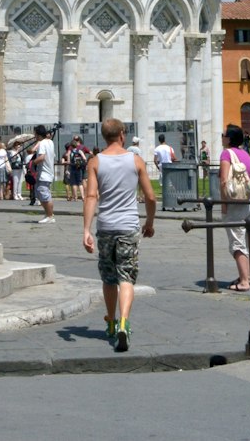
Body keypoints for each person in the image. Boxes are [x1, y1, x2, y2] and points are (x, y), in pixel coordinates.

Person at [82, 117, 156, 351]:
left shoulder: (95, 161)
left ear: (104, 137)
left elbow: (91, 196)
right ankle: (125, 322)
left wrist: (86, 229)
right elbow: (151, 197)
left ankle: (111, 322)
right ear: (122, 134)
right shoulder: (136, 161)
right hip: (128, 226)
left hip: (105, 226)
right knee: (126, 276)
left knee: (108, 277)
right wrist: (150, 222)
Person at [219, 124, 250, 291]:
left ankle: (244, 281)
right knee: (248, 242)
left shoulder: (227, 154)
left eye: (223, 135)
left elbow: (224, 182)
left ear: (229, 138)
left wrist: (224, 205)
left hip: (235, 204)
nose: (222, 137)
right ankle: (248, 276)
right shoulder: (246, 154)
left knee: (237, 243)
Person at [30, 124, 56, 225]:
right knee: (42, 194)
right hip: (48, 172)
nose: (34, 135)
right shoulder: (50, 142)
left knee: (44, 195)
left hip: (44, 173)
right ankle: (48, 214)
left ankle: (50, 216)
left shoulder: (42, 144)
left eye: (35, 133)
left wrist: (32, 163)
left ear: (38, 134)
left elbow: (41, 157)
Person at [66, 137, 88, 202]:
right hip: (79, 168)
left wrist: (67, 169)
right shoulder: (80, 151)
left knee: (74, 183)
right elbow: (84, 158)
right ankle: (83, 197)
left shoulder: (70, 152)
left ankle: (75, 197)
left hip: (72, 168)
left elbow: (68, 162)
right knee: (80, 183)